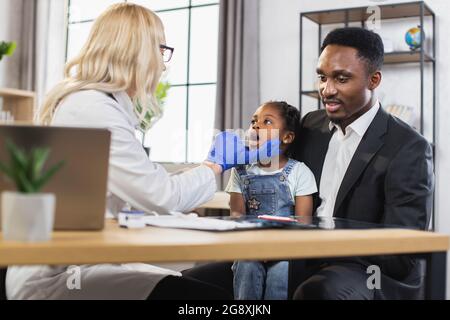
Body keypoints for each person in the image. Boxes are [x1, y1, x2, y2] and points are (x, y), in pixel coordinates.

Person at [5, 3, 278, 300]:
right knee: (206, 298)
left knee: (212, 284)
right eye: (161, 50)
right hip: (59, 278)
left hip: (82, 264)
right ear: (137, 52)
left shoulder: (98, 105)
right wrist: (214, 165)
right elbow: (160, 195)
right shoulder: (93, 109)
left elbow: (141, 192)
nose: (163, 64)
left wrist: (189, 213)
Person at [183, 27, 434, 300]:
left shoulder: (409, 148)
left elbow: (402, 256)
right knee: (187, 284)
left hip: (366, 270)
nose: (327, 90)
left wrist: (320, 243)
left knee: (316, 293)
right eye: (322, 77)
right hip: (300, 256)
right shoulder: (310, 125)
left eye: (341, 78)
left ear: (373, 80)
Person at [225, 101, 317, 300]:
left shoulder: (299, 172)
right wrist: (254, 247)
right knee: (246, 264)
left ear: (287, 137)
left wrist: (278, 249)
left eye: (267, 121)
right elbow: (237, 217)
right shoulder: (240, 171)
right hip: (250, 244)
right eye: (253, 121)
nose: (256, 125)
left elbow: (303, 223)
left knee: (282, 271)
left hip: (286, 247)